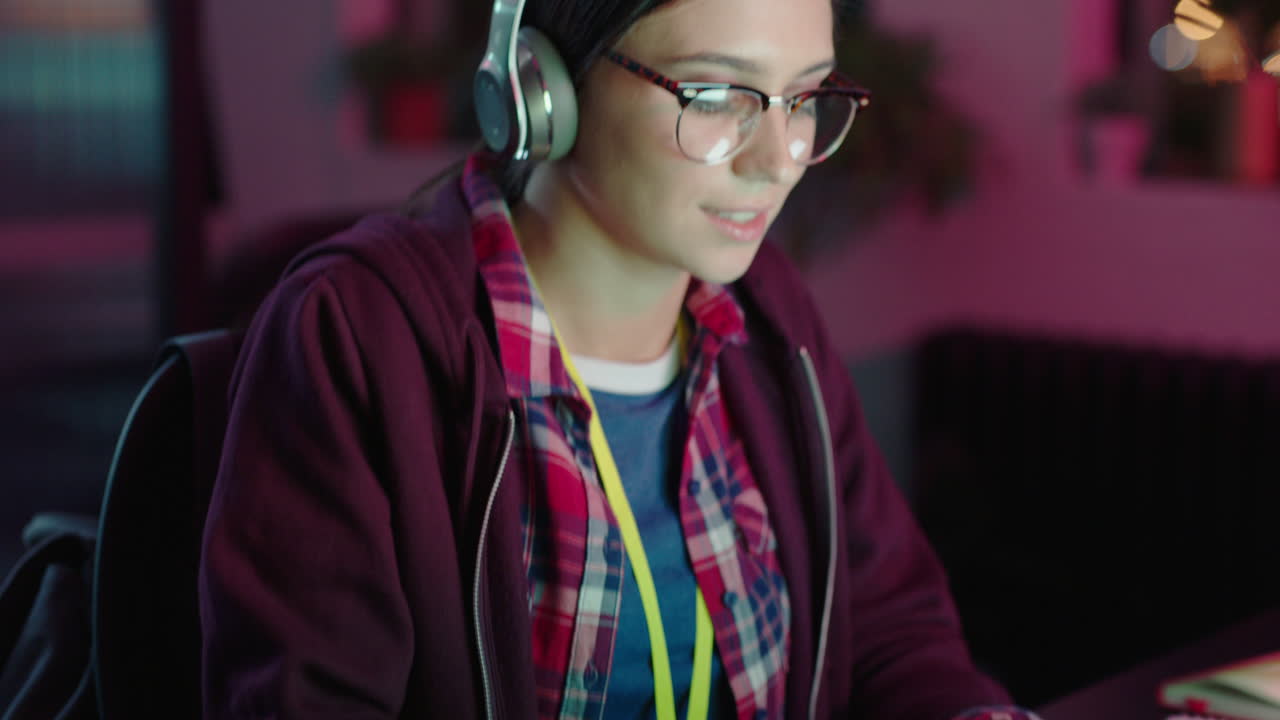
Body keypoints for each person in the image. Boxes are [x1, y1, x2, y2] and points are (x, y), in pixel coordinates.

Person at [198, 0, 1042, 718]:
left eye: (807, 97)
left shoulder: (770, 318)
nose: (779, 158)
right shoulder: (362, 335)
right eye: (716, 97)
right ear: (542, 91)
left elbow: (890, 627)